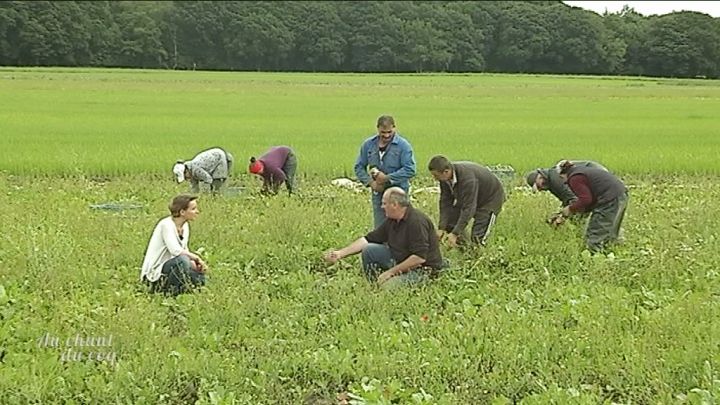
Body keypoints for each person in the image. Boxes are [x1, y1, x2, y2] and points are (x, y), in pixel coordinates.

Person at [324, 187, 446, 288]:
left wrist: (390, 273)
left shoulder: (417, 222)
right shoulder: (392, 220)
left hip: (422, 270)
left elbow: (419, 258)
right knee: (369, 249)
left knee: (388, 286)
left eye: (384, 203)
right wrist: (340, 254)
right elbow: (368, 239)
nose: (382, 207)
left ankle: (386, 283)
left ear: (394, 205)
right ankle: (373, 284)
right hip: (400, 259)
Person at [551, 160, 629, 252]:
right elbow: (590, 200)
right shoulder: (583, 171)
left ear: (562, 175)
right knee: (611, 231)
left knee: (595, 233)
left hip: (609, 198)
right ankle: (612, 252)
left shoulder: (574, 178)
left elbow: (585, 199)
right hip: (621, 194)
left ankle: (594, 257)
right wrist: (567, 214)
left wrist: (569, 209)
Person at [428, 155, 505, 247]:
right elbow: (445, 202)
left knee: (477, 238)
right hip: (469, 197)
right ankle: (466, 250)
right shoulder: (444, 179)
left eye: (436, 175)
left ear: (446, 171)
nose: (435, 178)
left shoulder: (468, 179)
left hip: (490, 199)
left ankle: (478, 255)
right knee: (450, 223)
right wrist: (441, 227)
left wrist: (455, 233)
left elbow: (469, 208)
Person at [354, 115, 416, 228]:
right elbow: (359, 167)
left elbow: (410, 169)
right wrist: (370, 183)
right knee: (380, 226)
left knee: (400, 226)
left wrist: (387, 178)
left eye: (389, 132)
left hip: (398, 194)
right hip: (378, 194)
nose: (386, 135)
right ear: (377, 129)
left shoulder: (403, 146)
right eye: (383, 132)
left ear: (394, 128)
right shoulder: (368, 145)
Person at [141, 194, 208, 296]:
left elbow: (184, 249)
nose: (197, 212)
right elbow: (176, 251)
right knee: (183, 261)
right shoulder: (166, 225)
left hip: (172, 266)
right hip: (156, 273)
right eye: (193, 209)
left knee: (199, 275)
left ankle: (184, 290)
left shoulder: (185, 226)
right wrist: (196, 258)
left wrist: (194, 264)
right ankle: (169, 292)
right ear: (182, 212)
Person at [525, 160, 608, 207]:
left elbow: (572, 198)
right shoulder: (551, 180)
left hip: (597, 178)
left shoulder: (555, 178)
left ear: (539, 177)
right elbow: (566, 199)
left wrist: (566, 213)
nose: (541, 189)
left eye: (539, 185)